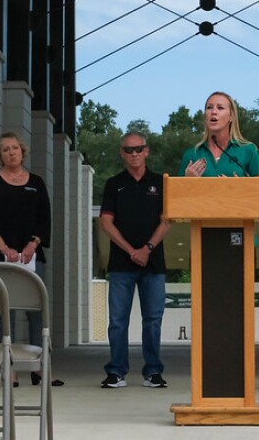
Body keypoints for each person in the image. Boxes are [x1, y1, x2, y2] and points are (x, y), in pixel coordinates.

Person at [100, 131, 172, 389]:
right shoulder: (113, 183)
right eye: (128, 150)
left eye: (138, 149)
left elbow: (167, 220)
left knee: (153, 320)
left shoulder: (161, 183)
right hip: (121, 266)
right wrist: (132, 251)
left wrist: (147, 248)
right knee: (118, 321)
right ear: (122, 153)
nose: (134, 154)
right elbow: (105, 222)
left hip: (153, 264)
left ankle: (153, 371)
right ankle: (116, 372)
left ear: (147, 151)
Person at [0, 131, 59, 387]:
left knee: (36, 311)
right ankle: (8, 369)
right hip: (1, 256)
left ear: (23, 151)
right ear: (0, 155)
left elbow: (45, 218)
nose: (11, 153)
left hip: (32, 255)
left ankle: (40, 367)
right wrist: (3, 247)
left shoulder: (37, 182)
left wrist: (33, 243)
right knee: (5, 311)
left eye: (15, 148)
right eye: (5, 149)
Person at [178, 91, 259, 177]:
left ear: (231, 116)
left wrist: (238, 187)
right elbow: (176, 190)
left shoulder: (249, 150)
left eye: (220, 108)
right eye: (209, 107)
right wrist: (187, 181)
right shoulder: (191, 154)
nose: (213, 112)